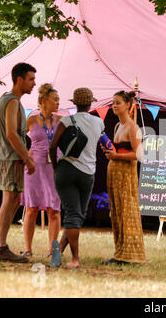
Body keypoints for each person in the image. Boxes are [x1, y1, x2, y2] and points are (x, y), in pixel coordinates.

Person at [49, 87, 105, 268]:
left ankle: (59, 251)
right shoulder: (99, 122)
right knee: (77, 215)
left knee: (74, 215)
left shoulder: (66, 120)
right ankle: (74, 259)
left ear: (75, 103)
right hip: (88, 173)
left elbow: (52, 147)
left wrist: (56, 167)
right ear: (90, 103)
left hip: (66, 169)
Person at [0, 62, 36, 263]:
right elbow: (11, 133)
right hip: (11, 158)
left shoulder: (8, 100)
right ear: (20, 80)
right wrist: (27, 157)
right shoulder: (12, 102)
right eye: (31, 79)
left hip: (9, 157)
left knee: (14, 200)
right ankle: (0, 246)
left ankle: (2, 245)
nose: (34, 83)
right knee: (9, 200)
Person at [101, 90, 146, 265]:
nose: (114, 105)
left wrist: (117, 157)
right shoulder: (117, 127)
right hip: (115, 172)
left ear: (128, 105)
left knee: (127, 212)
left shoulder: (134, 128)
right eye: (113, 102)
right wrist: (110, 153)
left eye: (118, 102)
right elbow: (118, 151)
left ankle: (130, 254)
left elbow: (138, 155)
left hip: (127, 175)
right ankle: (119, 251)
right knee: (117, 213)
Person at [20, 83, 61, 260]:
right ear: (44, 101)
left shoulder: (61, 121)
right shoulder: (31, 120)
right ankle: (28, 249)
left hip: (54, 168)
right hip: (34, 168)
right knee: (31, 209)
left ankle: (53, 250)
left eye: (58, 100)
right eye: (55, 100)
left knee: (54, 210)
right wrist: (26, 158)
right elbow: (19, 140)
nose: (58, 103)